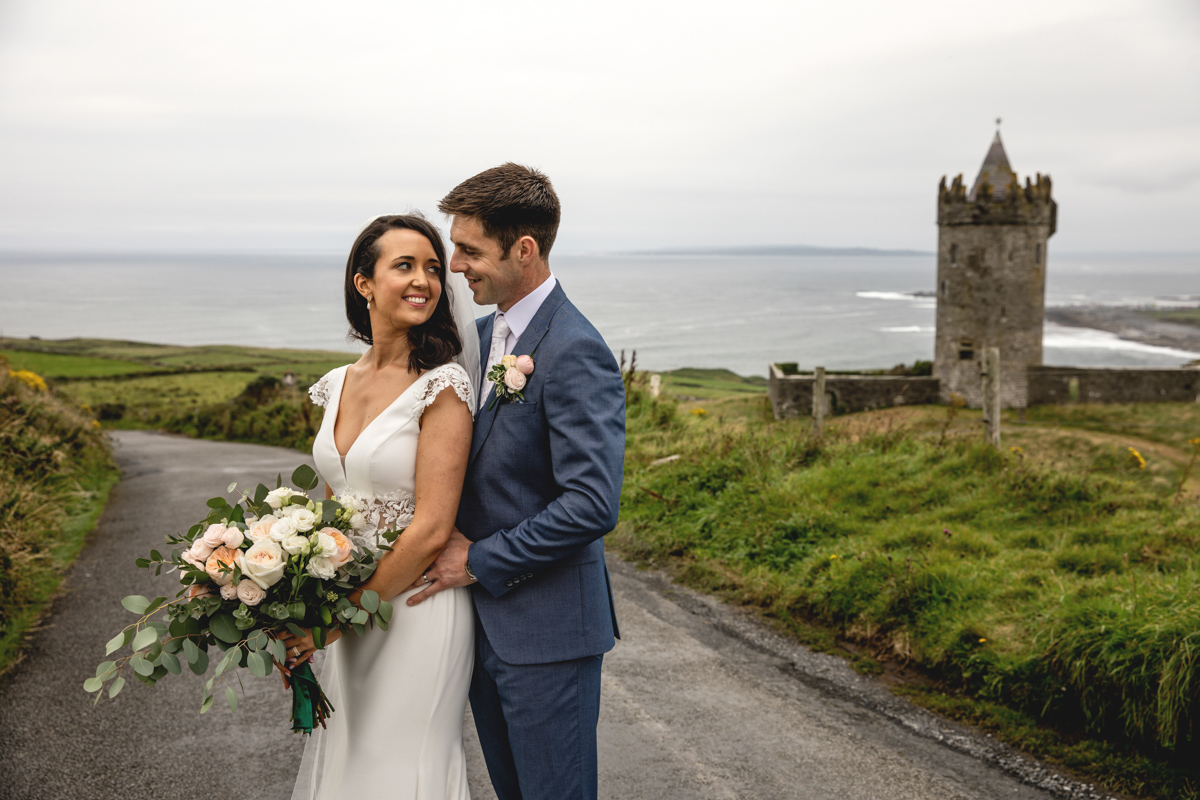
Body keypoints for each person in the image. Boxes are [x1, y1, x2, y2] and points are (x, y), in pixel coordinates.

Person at [407, 164, 626, 800]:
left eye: (470, 250)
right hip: (484, 631)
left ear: (523, 250)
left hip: (549, 634)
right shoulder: (480, 338)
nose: (454, 265)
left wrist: (478, 559)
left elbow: (591, 504)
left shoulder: (575, 349)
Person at [284, 213, 481, 800]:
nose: (423, 279)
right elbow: (331, 512)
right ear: (363, 282)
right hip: (349, 614)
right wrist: (295, 597)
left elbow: (431, 530)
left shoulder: (442, 386)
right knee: (354, 768)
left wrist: (334, 619)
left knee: (403, 771)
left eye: (432, 268)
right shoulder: (336, 384)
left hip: (413, 611)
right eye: (404, 266)